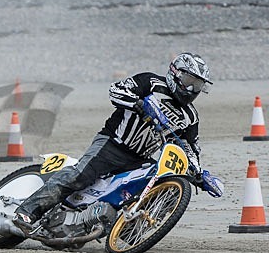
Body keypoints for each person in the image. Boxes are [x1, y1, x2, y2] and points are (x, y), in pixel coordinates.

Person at [11, 53, 219, 234]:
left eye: (198, 85)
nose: (192, 88)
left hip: (140, 160)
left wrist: (201, 174)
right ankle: (27, 211)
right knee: (79, 175)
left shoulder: (190, 117)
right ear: (176, 73)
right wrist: (139, 104)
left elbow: (189, 148)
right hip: (112, 144)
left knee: (158, 186)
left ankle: (129, 233)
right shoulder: (150, 82)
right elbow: (116, 90)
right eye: (189, 80)